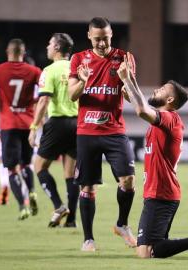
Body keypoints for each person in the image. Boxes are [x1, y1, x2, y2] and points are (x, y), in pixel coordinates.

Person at [116, 54, 188, 260]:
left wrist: (127, 79)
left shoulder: (169, 118)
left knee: (146, 252)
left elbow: (141, 110)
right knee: (156, 248)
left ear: (170, 100)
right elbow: (144, 107)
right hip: (161, 192)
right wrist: (132, 87)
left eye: (163, 89)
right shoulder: (165, 119)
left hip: (161, 193)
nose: (157, 89)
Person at [68, 17, 137, 251]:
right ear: (89, 36)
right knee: (87, 187)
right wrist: (84, 81)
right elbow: (72, 95)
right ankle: (88, 239)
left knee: (128, 181)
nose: (101, 43)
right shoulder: (78, 59)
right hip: (87, 132)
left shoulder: (124, 58)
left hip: (115, 130)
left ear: (111, 34)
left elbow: (132, 96)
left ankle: (122, 224)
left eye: (105, 38)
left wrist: (126, 79)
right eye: (97, 39)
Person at [0, 38, 41, 220]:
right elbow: (44, 94)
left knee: (12, 170)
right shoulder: (35, 71)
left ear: (8, 51)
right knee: (25, 164)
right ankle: (31, 191)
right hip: (28, 124)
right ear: (23, 53)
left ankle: (22, 205)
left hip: (8, 125)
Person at [29, 33, 80, 228]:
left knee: (40, 167)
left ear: (57, 48)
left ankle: (59, 206)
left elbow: (43, 100)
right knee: (70, 173)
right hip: (77, 124)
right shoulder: (78, 69)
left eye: (50, 44)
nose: (47, 47)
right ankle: (72, 220)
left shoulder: (49, 70)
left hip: (58, 123)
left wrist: (34, 127)